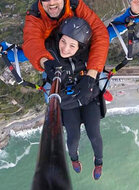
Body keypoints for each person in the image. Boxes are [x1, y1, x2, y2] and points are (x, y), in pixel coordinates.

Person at [23, 0, 109, 106]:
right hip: (54, 52)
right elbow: (31, 41)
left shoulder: (74, 5)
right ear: (40, 0)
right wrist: (44, 61)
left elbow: (99, 32)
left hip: (72, 49)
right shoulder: (35, 15)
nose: (51, 2)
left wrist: (91, 75)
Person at [43, 16, 105, 180]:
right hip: (69, 102)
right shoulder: (51, 55)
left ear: (80, 47)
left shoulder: (89, 54)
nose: (65, 49)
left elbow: (113, 30)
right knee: (73, 138)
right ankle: (74, 158)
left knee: (94, 134)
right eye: (63, 42)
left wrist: (132, 13)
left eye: (72, 45)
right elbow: (30, 48)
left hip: (87, 97)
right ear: (59, 38)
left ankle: (98, 161)